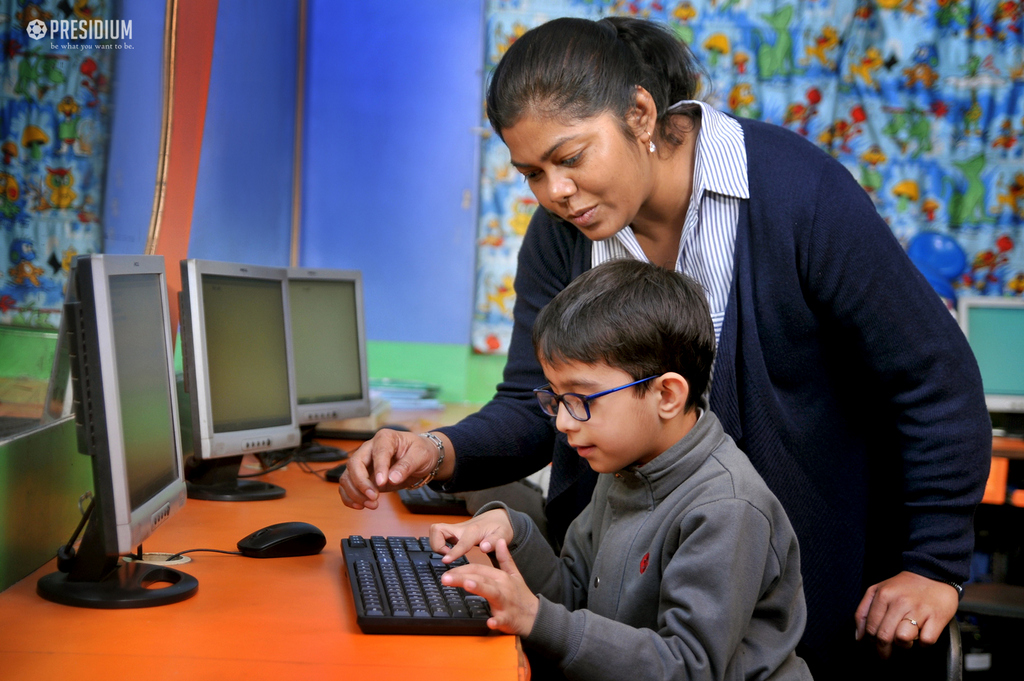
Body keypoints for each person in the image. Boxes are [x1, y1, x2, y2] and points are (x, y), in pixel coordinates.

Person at [338, 16, 991, 676]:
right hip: (616, 603)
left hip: (787, 617)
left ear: (641, 114)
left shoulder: (800, 195)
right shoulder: (561, 235)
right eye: (531, 172)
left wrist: (934, 565)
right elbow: (533, 405)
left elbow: (935, 377)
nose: (554, 192)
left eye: (569, 157)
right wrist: (438, 449)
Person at [432, 259, 811, 681]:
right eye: (556, 398)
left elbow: (689, 668)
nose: (562, 422)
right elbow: (577, 595)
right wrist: (514, 534)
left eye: (581, 399)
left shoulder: (728, 507)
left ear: (666, 394)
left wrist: (536, 617)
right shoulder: (624, 466)